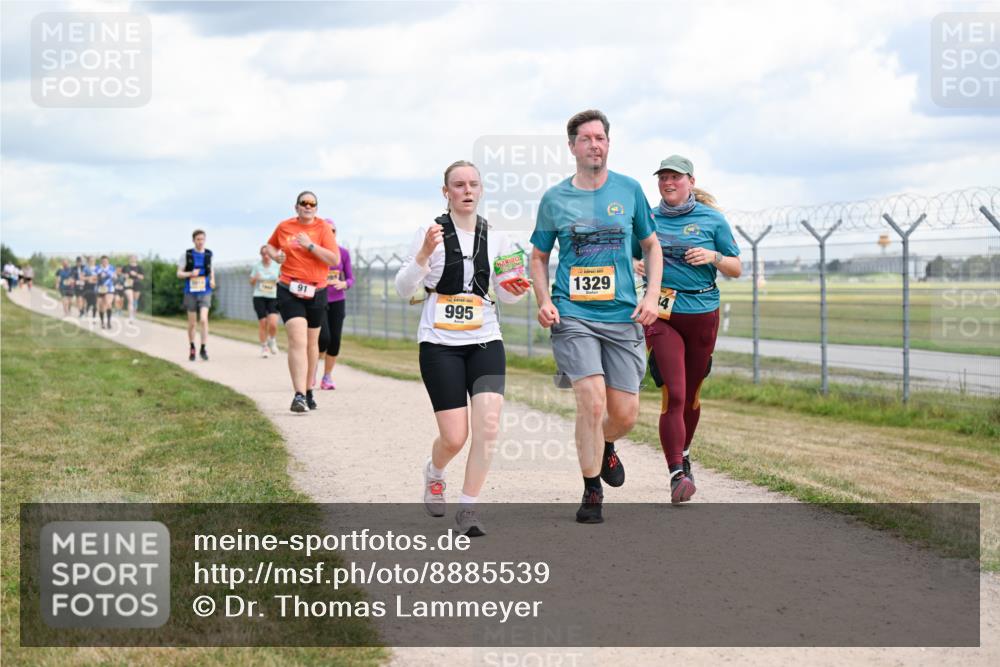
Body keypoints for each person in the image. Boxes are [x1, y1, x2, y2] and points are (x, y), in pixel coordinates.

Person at [529, 109, 663, 524]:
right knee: (591, 402)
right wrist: (544, 300)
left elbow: (652, 246)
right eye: (585, 138)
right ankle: (591, 491)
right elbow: (538, 256)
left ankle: (603, 447)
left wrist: (652, 295)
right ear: (572, 146)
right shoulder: (555, 199)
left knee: (624, 415)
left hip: (623, 315)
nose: (594, 145)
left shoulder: (630, 190)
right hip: (573, 315)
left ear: (608, 143)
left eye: (600, 138)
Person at [395, 161, 529, 537]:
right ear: (446, 192)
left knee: (487, 428)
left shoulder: (498, 237)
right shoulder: (429, 232)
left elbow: (506, 292)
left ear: (481, 190)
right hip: (440, 343)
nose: (467, 190)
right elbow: (404, 289)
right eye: (458, 185)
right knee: (455, 436)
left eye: (473, 184)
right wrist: (423, 254)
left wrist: (515, 289)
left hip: (485, 338)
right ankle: (435, 472)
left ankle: (468, 508)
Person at [635, 155, 741, 503]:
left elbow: (736, 267)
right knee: (675, 394)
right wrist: (636, 263)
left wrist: (713, 258)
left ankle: (684, 452)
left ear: (690, 182)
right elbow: (628, 254)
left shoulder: (712, 219)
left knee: (692, 395)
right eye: (663, 177)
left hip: (703, 314)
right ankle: (676, 473)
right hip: (662, 315)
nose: (668, 183)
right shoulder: (647, 218)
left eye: (675, 178)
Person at [264, 191, 340, 413]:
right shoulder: (284, 226)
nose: (308, 206)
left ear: (316, 208)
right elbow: (270, 245)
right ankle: (298, 395)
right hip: (289, 287)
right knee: (297, 340)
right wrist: (275, 255)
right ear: (296, 207)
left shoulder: (323, 229)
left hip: (316, 290)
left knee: (311, 342)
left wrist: (309, 246)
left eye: (312, 203)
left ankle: (308, 390)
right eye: (303, 203)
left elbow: (334, 259)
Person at [318, 219, 353, 390]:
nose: (330, 233)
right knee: (323, 337)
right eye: (327, 230)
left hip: (337, 300)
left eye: (333, 231)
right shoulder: (316, 252)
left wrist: (344, 284)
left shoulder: (343, 253)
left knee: (335, 340)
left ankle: (327, 376)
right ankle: (311, 370)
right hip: (319, 298)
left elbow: (350, 278)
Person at [176, 230, 215, 361]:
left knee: (203, 320)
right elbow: (179, 274)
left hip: (205, 290)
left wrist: (213, 279)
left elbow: (211, 269)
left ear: (205, 240)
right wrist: (190, 274)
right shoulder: (187, 255)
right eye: (198, 239)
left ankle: (203, 348)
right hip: (190, 291)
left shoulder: (209, 254)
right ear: (193, 240)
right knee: (192, 323)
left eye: (202, 239)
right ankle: (192, 347)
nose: (200, 242)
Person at [249, 245, 281, 358]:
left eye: (268, 254)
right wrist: (255, 278)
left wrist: (279, 280)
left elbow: (283, 279)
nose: (266, 256)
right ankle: (264, 347)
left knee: (273, 323)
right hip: (259, 296)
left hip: (273, 297)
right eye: (263, 254)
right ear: (261, 255)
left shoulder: (277, 266)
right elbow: (251, 282)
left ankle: (272, 340)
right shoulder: (257, 266)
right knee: (263, 322)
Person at [95, 256, 116, 329]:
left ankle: (109, 322)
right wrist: (105, 274)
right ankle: (102, 322)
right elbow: (99, 275)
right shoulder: (98, 267)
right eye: (103, 261)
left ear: (108, 261)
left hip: (109, 288)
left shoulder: (111, 267)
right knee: (101, 307)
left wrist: (111, 275)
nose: (105, 263)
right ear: (101, 262)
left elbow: (113, 275)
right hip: (100, 288)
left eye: (106, 261)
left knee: (108, 303)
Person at [122, 255, 145, 322]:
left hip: (137, 284)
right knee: (130, 300)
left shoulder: (139, 267)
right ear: (129, 259)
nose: (132, 259)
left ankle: (134, 315)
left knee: (135, 301)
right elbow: (122, 275)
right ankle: (130, 316)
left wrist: (136, 274)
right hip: (128, 283)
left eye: (134, 258)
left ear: (136, 259)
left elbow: (142, 277)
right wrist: (124, 275)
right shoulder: (126, 267)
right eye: (131, 258)